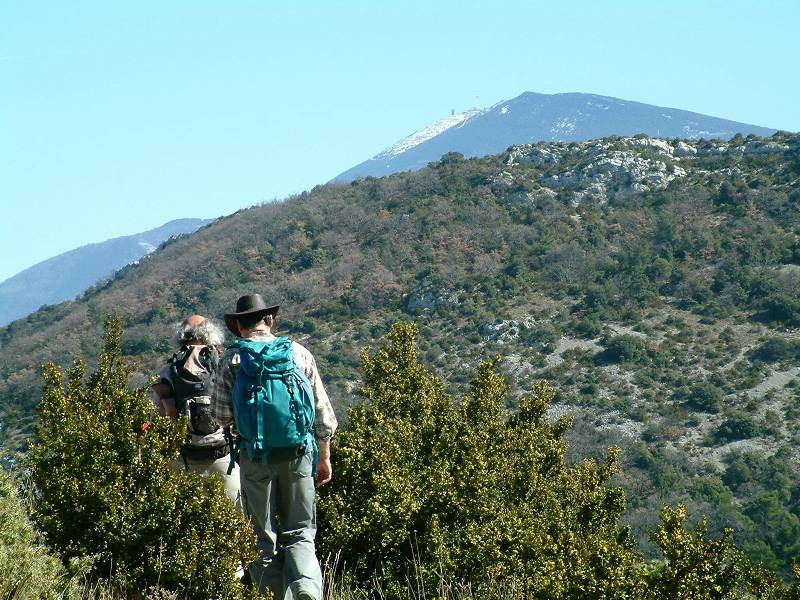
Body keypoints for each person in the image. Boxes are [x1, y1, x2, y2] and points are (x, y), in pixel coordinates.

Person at [211, 294, 337, 600]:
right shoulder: (298, 353)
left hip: (254, 456)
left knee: (261, 538)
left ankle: (272, 595)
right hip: (298, 454)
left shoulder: (232, 360)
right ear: (270, 320)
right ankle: (306, 590)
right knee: (301, 532)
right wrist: (324, 457)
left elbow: (221, 415)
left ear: (239, 326)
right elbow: (323, 415)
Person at [151, 314, 241, 507]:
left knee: (188, 518)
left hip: (184, 458)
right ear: (211, 333)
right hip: (223, 454)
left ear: (181, 334)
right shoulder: (224, 362)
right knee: (235, 517)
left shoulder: (170, 369)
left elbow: (157, 415)